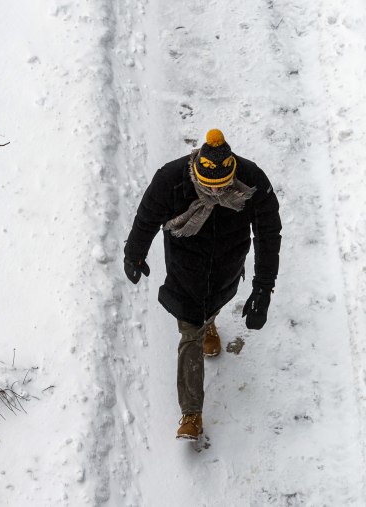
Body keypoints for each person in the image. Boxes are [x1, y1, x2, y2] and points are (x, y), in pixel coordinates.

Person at [123, 129, 282, 440]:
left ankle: (211, 322)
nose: (216, 194)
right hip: (186, 272)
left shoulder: (252, 181)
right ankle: (191, 413)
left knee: (213, 305)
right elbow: (146, 217)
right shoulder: (170, 179)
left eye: (223, 188)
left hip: (227, 267)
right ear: (196, 170)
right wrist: (134, 253)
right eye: (209, 188)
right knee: (190, 335)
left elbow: (268, 235)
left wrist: (263, 289)